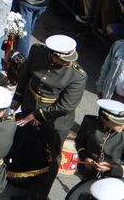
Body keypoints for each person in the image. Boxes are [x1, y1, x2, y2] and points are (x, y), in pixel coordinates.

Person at [15, 33, 87, 199]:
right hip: (30, 106)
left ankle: (38, 195)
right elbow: (26, 74)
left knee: (49, 160)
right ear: (52, 55)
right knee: (28, 146)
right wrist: (18, 97)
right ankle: (24, 180)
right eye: (64, 60)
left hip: (55, 122)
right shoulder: (38, 51)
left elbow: (66, 105)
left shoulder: (78, 75)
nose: (68, 63)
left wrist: (36, 115)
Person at [74, 98, 124, 183]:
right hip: (88, 172)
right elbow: (79, 142)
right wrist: (85, 157)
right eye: (119, 122)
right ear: (104, 119)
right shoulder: (89, 122)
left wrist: (109, 169)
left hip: (115, 179)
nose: (123, 124)